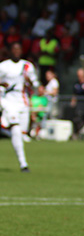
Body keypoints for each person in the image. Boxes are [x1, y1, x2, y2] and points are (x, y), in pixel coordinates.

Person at [0, 41, 38, 172]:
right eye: (14, 49)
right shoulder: (3, 66)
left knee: (22, 133)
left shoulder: (27, 66)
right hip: (8, 102)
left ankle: (4, 128)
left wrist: (30, 83)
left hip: (23, 102)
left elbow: (35, 84)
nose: (16, 52)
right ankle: (23, 163)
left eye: (18, 49)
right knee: (15, 129)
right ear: (10, 51)